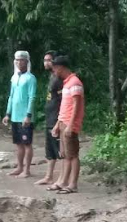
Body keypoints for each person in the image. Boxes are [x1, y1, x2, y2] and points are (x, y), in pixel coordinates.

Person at [52, 56, 85, 194]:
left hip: (69, 124)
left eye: (55, 69)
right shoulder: (67, 83)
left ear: (61, 67)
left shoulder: (75, 83)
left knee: (73, 155)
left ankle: (72, 184)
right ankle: (63, 181)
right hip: (63, 123)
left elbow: (77, 106)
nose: (54, 72)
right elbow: (64, 107)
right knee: (65, 155)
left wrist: (71, 125)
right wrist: (57, 124)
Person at [2, 50, 37, 178]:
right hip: (15, 116)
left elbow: (32, 97)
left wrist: (28, 115)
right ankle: (19, 167)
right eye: (16, 59)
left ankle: (27, 170)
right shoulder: (14, 77)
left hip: (25, 117)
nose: (18, 62)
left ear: (26, 61)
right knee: (18, 144)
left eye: (21, 59)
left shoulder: (30, 78)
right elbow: (11, 96)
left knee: (27, 143)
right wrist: (8, 113)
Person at [36, 50, 65, 187]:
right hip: (49, 118)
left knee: (60, 150)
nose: (46, 63)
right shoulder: (52, 77)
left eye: (48, 60)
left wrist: (59, 121)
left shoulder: (59, 79)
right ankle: (48, 176)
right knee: (50, 150)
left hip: (56, 119)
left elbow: (62, 101)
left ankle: (62, 179)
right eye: (44, 60)